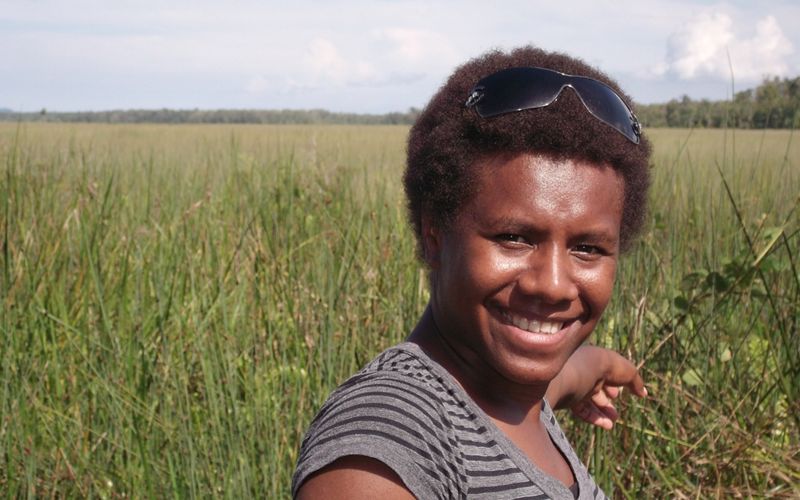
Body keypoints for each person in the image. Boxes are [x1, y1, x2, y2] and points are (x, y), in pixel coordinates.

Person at [292, 45, 652, 499]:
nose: (554, 284)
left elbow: (561, 382)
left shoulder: (516, 393)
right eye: (514, 238)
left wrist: (605, 366)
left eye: (587, 248)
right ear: (435, 236)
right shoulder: (389, 442)